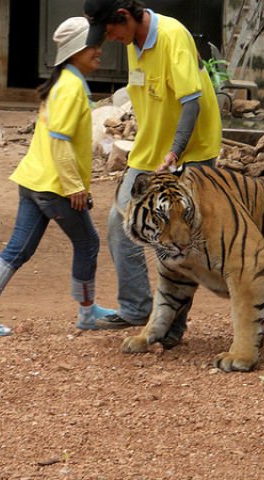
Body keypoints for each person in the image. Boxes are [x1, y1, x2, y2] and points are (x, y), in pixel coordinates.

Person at [0, 17, 113, 336]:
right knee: (88, 242)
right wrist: (74, 187)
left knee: (19, 247)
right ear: (74, 51)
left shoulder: (62, 83)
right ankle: (87, 313)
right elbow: (60, 143)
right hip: (55, 185)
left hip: (33, 180)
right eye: (93, 45)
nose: (99, 49)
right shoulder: (71, 87)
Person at [82, 0, 222, 342]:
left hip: (192, 151)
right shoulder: (133, 44)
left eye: (111, 30)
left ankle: (173, 324)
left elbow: (192, 101)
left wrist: (176, 151)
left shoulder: (173, 36)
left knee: (179, 235)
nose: (110, 38)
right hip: (149, 153)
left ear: (125, 17)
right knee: (119, 222)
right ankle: (137, 309)